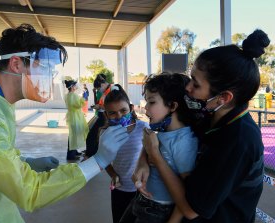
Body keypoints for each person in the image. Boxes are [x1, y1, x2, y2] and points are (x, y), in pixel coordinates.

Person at [0, 24, 129, 223]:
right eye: (45, 68)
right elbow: (31, 192)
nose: (50, 77)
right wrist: (98, 161)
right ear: (16, 64)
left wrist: (27, 162)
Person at [133, 29, 269, 222]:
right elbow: (160, 137)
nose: (187, 88)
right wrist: (143, 159)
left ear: (224, 98)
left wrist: (154, 154)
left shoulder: (238, 140)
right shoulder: (206, 114)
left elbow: (190, 209)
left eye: (195, 85)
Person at [120, 73, 198, 223]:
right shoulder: (163, 131)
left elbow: (187, 196)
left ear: (173, 106)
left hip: (158, 211)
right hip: (141, 200)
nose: (146, 107)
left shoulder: (184, 142)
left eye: (152, 102)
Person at [101, 84, 149, 223]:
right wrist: (113, 175)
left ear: (131, 108)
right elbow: (104, 161)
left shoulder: (143, 128)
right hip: (119, 189)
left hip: (141, 190)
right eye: (113, 113)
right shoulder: (105, 134)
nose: (119, 116)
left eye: (123, 110)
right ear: (106, 115)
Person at [85, 73, 113, 158]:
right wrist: (99, 106)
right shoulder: (106, 91)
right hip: (102, 115)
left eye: (98, 88)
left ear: (102, 84)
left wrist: (100, 106)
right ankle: (91, 153)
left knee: (93, 136)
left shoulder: (113, 89)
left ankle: (91, 154)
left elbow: (113, 106)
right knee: (92, 135)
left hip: (106, 117)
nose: (98, 90)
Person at [64, 79, 89, 160]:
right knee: (74, 135)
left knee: (73, 135)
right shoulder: (73, 95)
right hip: (75, 117)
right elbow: (78, 105)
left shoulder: (68, 95)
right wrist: (83, 98)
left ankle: (74, 151)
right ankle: (71, 155)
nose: (76, 86)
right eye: (74, 85)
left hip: (72, 116)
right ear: (72, 87)